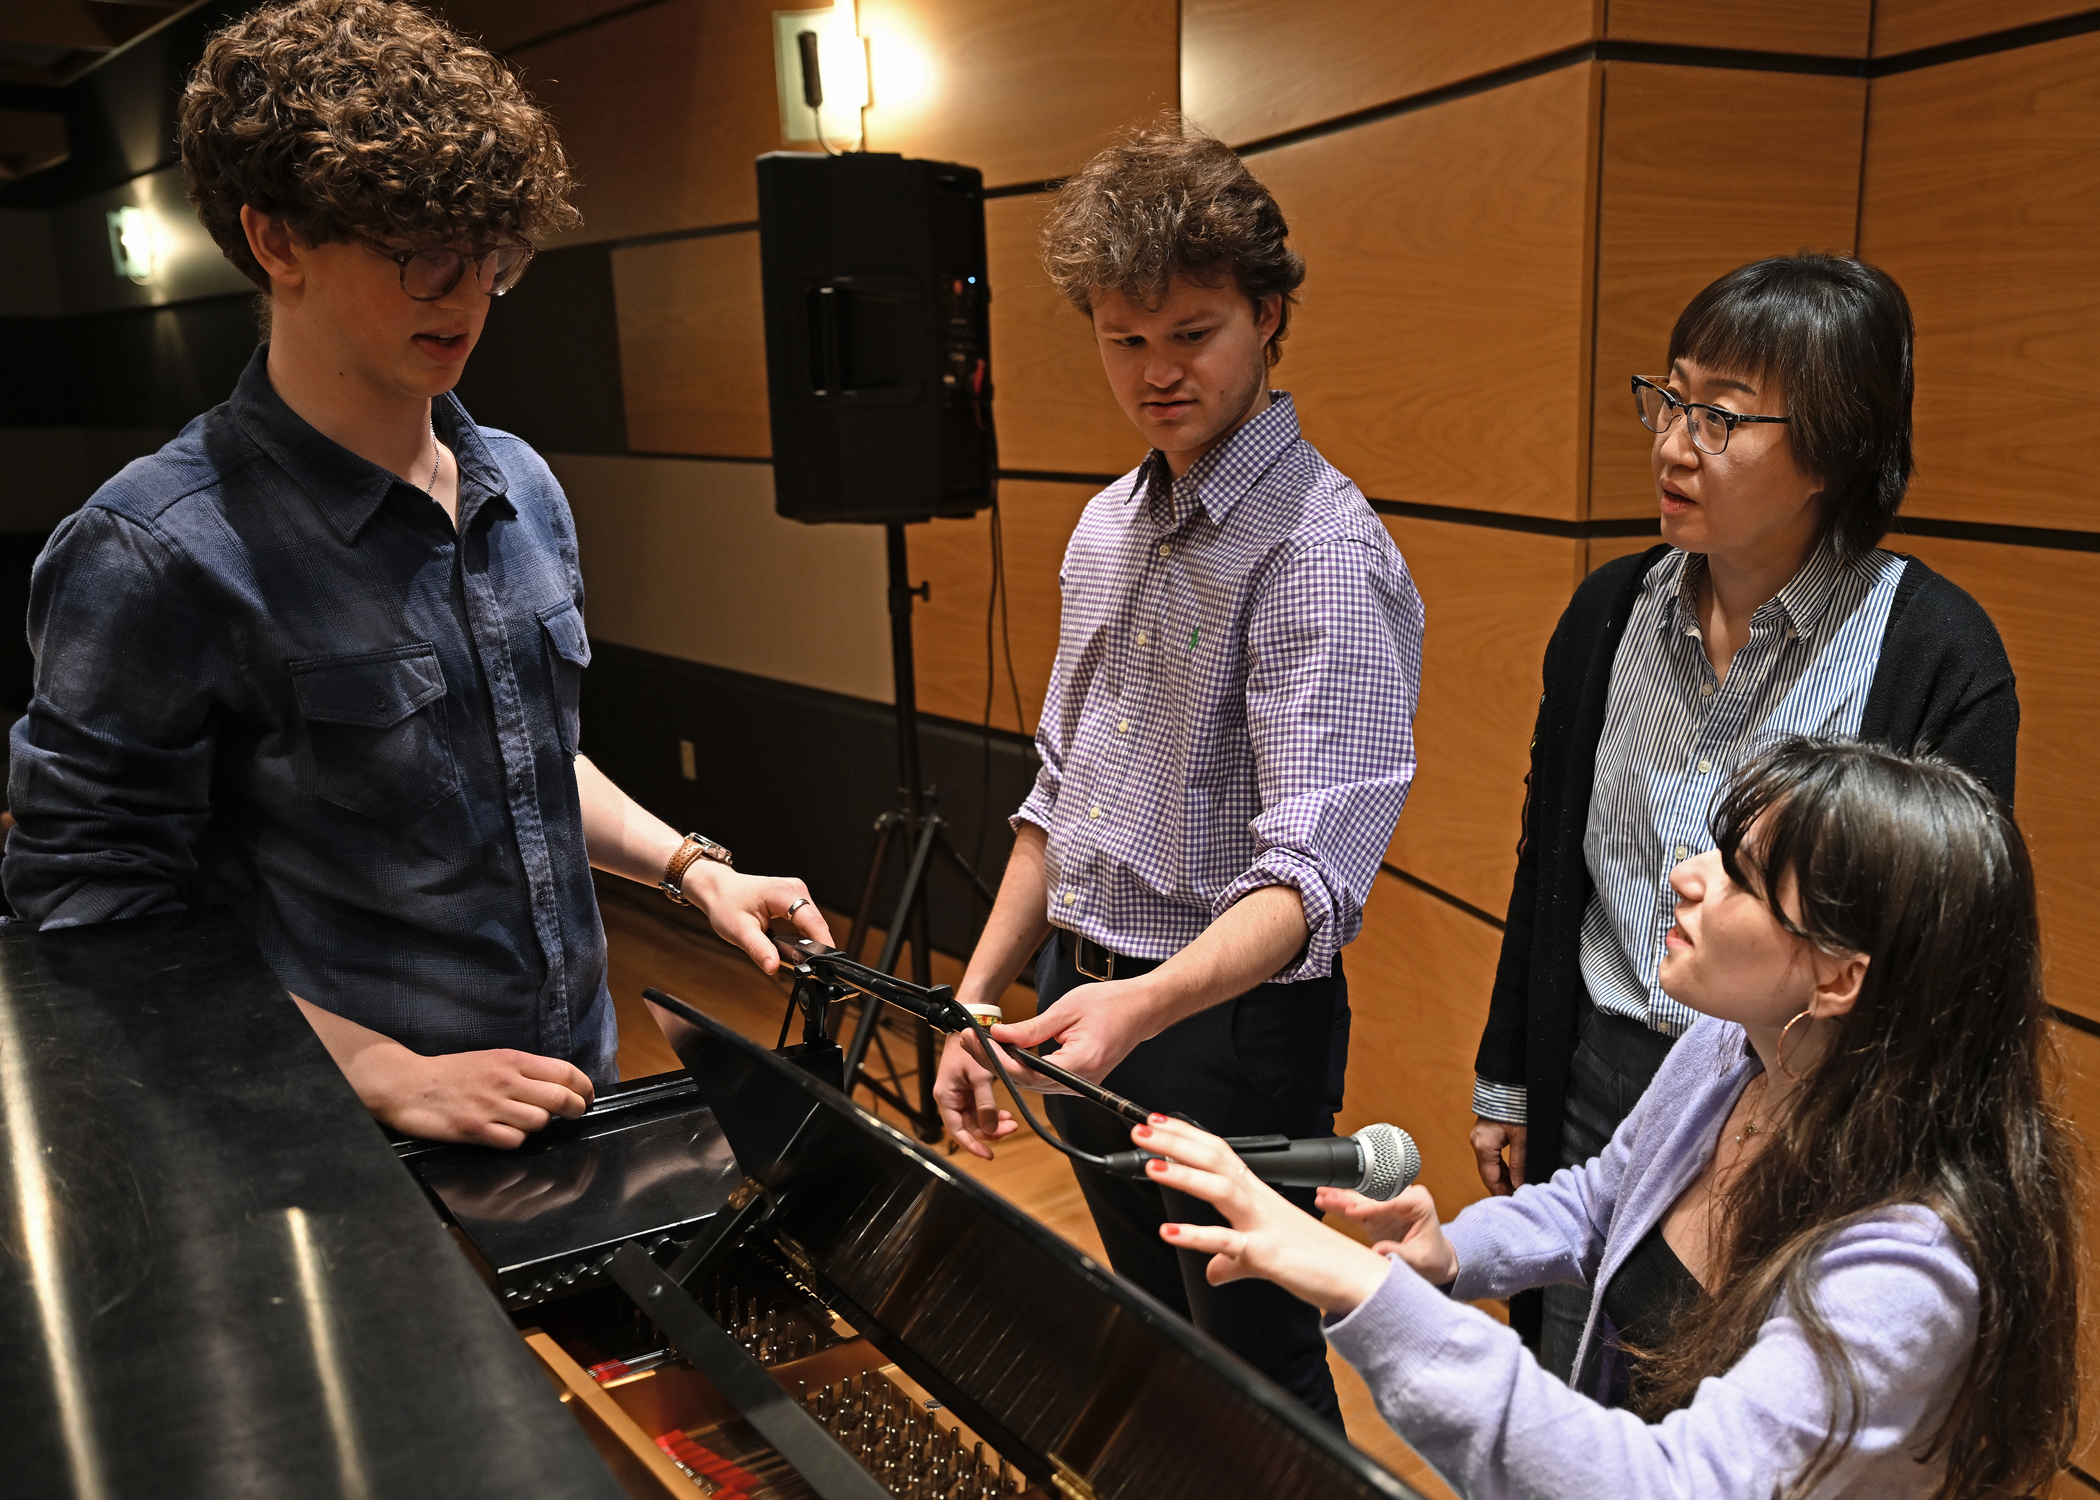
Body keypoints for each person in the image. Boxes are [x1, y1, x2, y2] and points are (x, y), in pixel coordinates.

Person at [1, 0, 830, 1148]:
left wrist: (691, 870)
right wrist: (377, 1071)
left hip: (569, 1076)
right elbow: (94, 919)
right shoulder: (152, 547)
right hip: (343, 1129)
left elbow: (515, 753)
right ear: (276, 240)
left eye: (494, 254)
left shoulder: (521, 485)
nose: (472, 291)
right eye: (422, 256)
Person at [1139, 738, 2077, 1499]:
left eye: (1743, 878)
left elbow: (1672, 1486)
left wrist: (1366, 1291)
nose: (1686, 875)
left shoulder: (1910, 1268)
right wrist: (1451, 1256)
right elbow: (1601, 1201)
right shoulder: (1729, 1050)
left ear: (1838, 979)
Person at [929, 123, 1425, 1426]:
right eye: (1124, 339)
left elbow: (1312, 885)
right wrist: (977, 997)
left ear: (1268, 315)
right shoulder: (1103, 525)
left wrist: (1141, 1009)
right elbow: (1055, 802)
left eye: (1191, 334)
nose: (1156, 373)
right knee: (1152, 1336)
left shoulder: (1323, 550)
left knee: (1255, 1370)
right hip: (1076, 993)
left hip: (1225, 1031)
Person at [1468, 254, 2018, 1373]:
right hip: (1595, 1079)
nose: (1673, 444)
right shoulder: (1605, 612)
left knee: (1721, 1443)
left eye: (1721, 417)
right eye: (1669, 398)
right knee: (1579, 1397)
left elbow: (1935, 963)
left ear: (1835, 445)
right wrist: (1509, 1075)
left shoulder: (1935, 656)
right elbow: (1549, 872)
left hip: (1798, 1113)